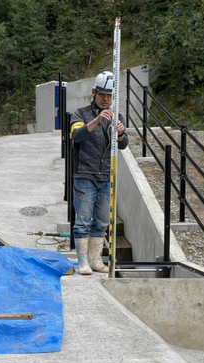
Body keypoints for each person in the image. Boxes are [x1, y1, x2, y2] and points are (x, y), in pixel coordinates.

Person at [69, 71, 129, 275]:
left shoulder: (117, 115)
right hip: (84, 174)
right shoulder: (81, 113)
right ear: (93, 93)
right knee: (83, 220)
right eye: (102, 93)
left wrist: (120, 133)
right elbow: (76, 136)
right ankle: (82, 263)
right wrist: (96, 120)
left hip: (106, 177)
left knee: (102, 221)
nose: (106, 98)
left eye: (110, 95)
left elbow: (123, 145)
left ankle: (95, 260)